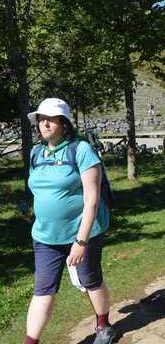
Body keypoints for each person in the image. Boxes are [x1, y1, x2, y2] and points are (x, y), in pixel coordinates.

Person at [25, 98, 114, 344]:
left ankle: (104, 325)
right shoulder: (36, 153)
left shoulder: (81, 149)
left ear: (64, 123)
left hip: (83, 233)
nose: (45, 124)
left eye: (51, 119)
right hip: (45, 236)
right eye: (41, 119)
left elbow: (92, 200)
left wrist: (81, 241)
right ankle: (30, 341)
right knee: (43, 290)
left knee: (90, 280)